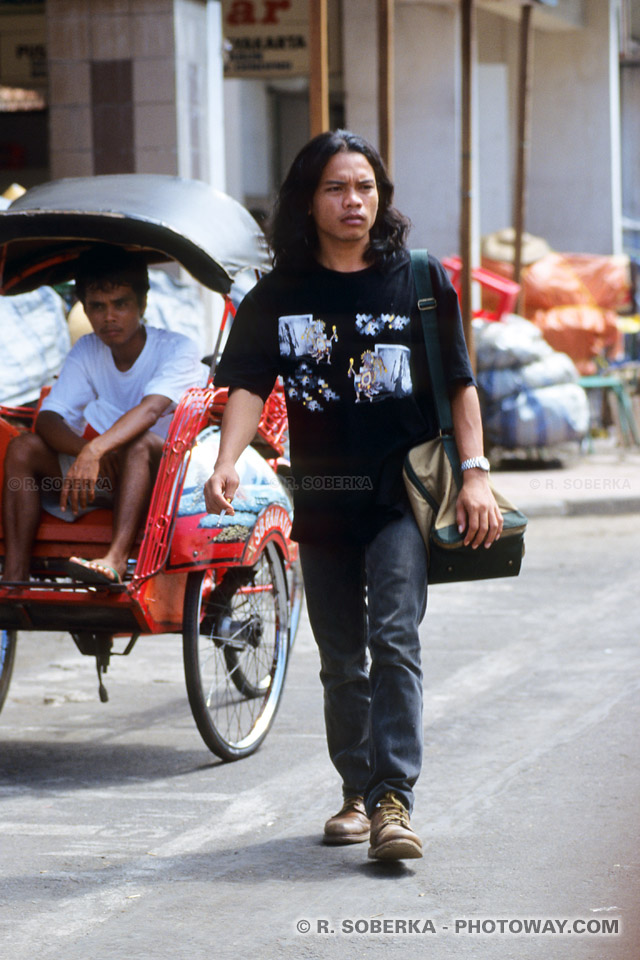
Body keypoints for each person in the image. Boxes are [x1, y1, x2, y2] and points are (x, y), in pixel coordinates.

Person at [204, 130, 502, 861]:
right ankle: (356, 792)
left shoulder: (421, 280)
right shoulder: (278, 295)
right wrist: (227, 460)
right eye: (337, 188)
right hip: (323, 495)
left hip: (401, 490)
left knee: (394, 636)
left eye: (365, 187)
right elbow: (247, 385)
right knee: (340, 656)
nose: (354, 201)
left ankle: (394, 801)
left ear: (382, 197)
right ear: (310, 201)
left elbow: (459, 385)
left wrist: (477, 473)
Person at [2, 244, 204, 586]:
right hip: (108, 473)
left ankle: (115, 559)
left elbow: (151, 408)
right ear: (84, 308)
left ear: (142, 304)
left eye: (121, 304)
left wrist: (97, 449)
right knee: (23, 448)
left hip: (163, 480)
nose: (108, 317)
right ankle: (15, 574)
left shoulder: (177, 348)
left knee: (138, 443)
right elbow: (48, 419)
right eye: (97, 307)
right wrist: (85, 450)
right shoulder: (87, 349)